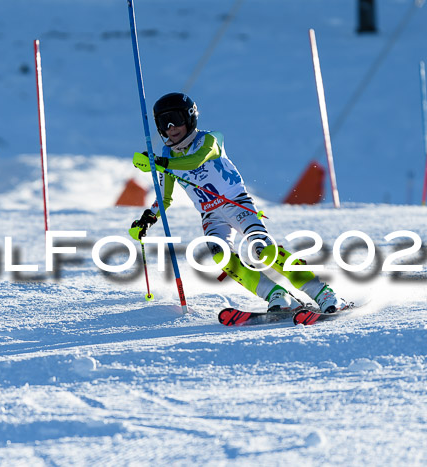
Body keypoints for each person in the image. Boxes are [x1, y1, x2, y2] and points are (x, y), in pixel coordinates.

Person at [129, 92, 348, 314]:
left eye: (175, 118)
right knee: (222, 257)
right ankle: (276, 295)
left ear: (190, 117)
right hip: (210, 215)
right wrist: (148, 218)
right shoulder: (167, 156)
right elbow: (164, 198)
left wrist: (160, 162)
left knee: (262, 249)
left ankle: (323, 292)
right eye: (163, 122)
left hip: (236, 203)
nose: (171, 127)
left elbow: (196, 160)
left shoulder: (209, 140)